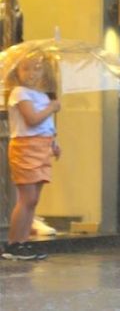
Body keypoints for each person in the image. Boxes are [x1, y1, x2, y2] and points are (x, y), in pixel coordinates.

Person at [2, 51, 60, 261]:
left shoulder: (43, 95)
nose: (32, 73)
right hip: (25, 147)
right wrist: (52, 107)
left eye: (37, 68)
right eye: (26, 68)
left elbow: (46, 126)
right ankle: (13, 243)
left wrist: (54, 142)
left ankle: (24, 242)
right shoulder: (19, 93)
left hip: (42, 147)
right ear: (17, 71)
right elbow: (32, 119)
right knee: (26, 198)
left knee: (33, 200)